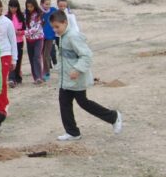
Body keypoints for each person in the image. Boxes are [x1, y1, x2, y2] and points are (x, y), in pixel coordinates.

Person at [51, 11, 123, 141]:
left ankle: (113, 116)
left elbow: (87, 55)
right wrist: (59, 69)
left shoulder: (73, 36)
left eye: (57, 26)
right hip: (66, 80)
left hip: (76, 79)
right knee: (64, 103)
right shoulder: (62, 37)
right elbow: (64, 57)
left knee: (84, 103)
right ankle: (72, 132)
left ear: (65, 23)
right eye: (53, 27)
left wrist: (77, 70)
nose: (55, 30)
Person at [24, 0, 46, 85]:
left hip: (38, 38)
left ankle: (39, 77)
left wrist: (23, 32)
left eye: (31, 6)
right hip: (29, 40)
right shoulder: (25, 14)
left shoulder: (39, 14)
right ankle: (35, 77)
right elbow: (24, 25)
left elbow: (36, 28)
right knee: (31, 58)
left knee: (37, 57)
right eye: (28, 7)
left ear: (35, 6)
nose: (29, 8)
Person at [6, 0, 27, 86]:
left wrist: (19, 32)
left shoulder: (21, 16)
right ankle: (11, 78)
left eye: (15, 7)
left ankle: (18, 77)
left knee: (18, 59)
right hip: (10, 42)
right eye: (11, 7)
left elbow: (25, 29)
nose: (13, 9)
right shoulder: (6, 17)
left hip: (19, 40)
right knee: (11, 59)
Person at [41, 0, 57, 80]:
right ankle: (44, 70)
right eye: (46, 4)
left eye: (49, 4)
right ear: (42, 4)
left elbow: (60, 15)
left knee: (46, 55)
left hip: (50, 36)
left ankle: (47, 73)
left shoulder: (53, 10)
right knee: (42, 55)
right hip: (41, 37)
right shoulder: (40, 12)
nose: (48, 6)